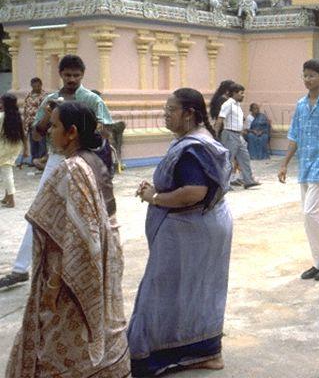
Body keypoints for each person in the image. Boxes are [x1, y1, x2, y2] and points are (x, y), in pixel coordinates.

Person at [6, 102, 130, 377]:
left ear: (71, 132)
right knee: (96, 325)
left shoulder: (72, 169)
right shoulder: (94, 159)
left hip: (68, 276)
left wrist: (52, 283)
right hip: (101, 261)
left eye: (54, 125)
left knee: (61, 340)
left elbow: (75, 235)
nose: (49, 131)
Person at [130, 88, 233, 376]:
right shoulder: (194, 141)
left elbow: (194, 192)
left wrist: (155, 198)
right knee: (195, 291)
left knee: (166, 291)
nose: (165, 114)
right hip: (199, 230)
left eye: (170, 110)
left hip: (192, 232)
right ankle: (205, 352)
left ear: (189, 114)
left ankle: (177, 354)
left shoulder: (194, 147)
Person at [0, 54, 113, 290]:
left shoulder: (91, 100)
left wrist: (82, 128)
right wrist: (50, 116)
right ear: (60, 74)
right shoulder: (50, 100)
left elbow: (104, 131)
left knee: (86, 215)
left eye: (76, 75)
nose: (72, 79)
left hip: (82, 160)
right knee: (39, 213)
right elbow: (37, 133)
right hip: (55, 160)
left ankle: (89, 271)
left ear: (82, 75)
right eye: (68, 75)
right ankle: (21, 269)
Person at [278, 59, 319, 282]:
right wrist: (285, 163)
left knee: (310, 211)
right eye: (305, 75)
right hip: (305, 164)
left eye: (312, 75)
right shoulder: (301, 104)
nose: (308, 79)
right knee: (310, 216)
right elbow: (294, 135)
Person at [215, 83, 259, 189]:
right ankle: (225, 184)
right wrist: (216, 135)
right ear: (234, 93)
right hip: (229, 134)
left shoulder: (237, 105)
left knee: (245, 157)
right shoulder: (228, 104)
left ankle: (248, 180)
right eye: (241, 93)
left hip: (238, 135)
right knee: (228, 160)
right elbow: (220, 119)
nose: (243, 95)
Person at [0, 94, 27, 208]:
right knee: (7, 170)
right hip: (15, 146)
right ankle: (7, 196)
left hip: (4, 146)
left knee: (6, 172)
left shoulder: (1, 116)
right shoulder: (17, 116)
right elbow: (23, 134)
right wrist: (26, 150)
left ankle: (11, 199)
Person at [21, 77, 46, 167]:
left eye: (38, 86)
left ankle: (41, 161)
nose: (36, 87)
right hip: (30, 123)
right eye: (34, 86)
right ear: (31, 86)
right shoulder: (28, 95)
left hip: (40, 123)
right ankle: (33, 160)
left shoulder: (44, 96)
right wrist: (24, 122)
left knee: (41, 142)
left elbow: (46, 110)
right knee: (33, 142)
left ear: (41, 85)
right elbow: (25, 109)